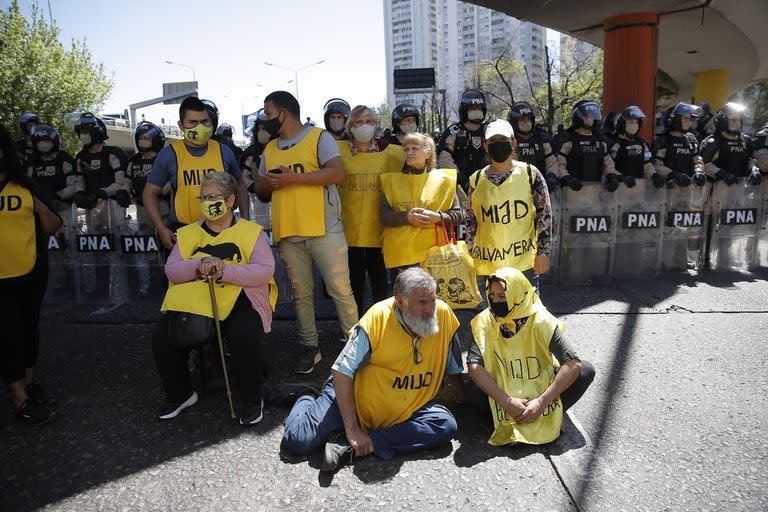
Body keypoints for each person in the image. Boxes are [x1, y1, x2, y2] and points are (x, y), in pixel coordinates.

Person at [281, 267, 463, 472]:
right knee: (298, 440)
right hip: (355, 403)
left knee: (445, 425)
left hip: (407, 409)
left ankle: (357, 444)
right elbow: (341, 370)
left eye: (432, 300)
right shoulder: (377, 319)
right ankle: (306, 394)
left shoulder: (443, 314)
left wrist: (462, 397)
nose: (430, 309)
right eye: (422, 303)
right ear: (400, 302)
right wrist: (352, 429)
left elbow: (454, 365)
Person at [152, 172, 276, 425]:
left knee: (244, 332)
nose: (207, 202)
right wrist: (199, 265)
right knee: (162, 335)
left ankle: (252, 398)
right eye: (203, 197)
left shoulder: (251, 232)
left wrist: (225, 270)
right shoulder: (187, 234)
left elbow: (265, 270)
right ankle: (180, 394)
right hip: (196, 304)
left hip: (241, 300)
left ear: (230, 200)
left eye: (213, 197)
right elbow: (172, 269)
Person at [253, 90, 358, 374]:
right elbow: (261, 190)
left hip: (325, 229)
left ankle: (356, 348)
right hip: (289, 232)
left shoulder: (319, 138)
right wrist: (270, 184)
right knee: (301, 294)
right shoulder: (270, 148)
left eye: (269, 113)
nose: (265, 119)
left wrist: (293, 179)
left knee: (340, 290)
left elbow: (337, 174)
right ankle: (310, 348)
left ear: (284, 113)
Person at [466, 267, 595, 445]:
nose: (495, 301)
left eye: (502, 296)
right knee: (472, 391)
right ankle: (525, 416)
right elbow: (474, 366)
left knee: (586, 370)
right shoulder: (483, 320)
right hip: (504, 395)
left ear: (517, 295)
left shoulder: (541, 320)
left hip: (540, 393)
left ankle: (534, 414)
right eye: (492, 295)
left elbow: (573, 364)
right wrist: (507, 402)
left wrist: (541, 402)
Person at [0, 123, 63, 425]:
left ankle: (28, 384)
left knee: (28, 331)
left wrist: (37, 206)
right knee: (8, 335)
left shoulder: (23, 187)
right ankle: (18, 399)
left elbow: (53, 226)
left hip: (30, 273)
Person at [143, 96, 250, 251]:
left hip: (224, 233)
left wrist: (245, 221)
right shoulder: (169, 154)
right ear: (181, 125)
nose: (200, 127)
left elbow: (240, 185)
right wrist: (161, 228)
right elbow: (149, 193)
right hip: (184, 232)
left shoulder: (224, 152)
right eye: (193, 123)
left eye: (204, 121)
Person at [465, 120, 552, 295]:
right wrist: (469, 255)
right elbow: (470, 220)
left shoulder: (530, 174)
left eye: (503, 139)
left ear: (513, 142)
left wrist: (543, 252)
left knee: (528, 314)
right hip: (489, 264)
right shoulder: (476, 180)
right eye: (493, 140)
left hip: (524, 263)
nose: (498, 143)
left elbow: (545, 214)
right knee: (494, 316)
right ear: (485, 146)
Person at [337, 105, 404, 315]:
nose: (363, 126)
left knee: (380, 284)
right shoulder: (338, 151)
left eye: (368, 121)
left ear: (375, 124)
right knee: (352, 284)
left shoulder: (392, 152)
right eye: (358, 122)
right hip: (348, 231)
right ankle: (355, 327)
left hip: (381, 230)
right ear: (350, 127)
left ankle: (382, 325)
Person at [379, 132, 463, 270]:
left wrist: (438, 217)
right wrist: (407, 217)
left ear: (428, 152)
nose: (409, 152)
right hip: (404, 258)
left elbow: (458, 215)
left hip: (437, 257)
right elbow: (384, 217)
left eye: (414, 148)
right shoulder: (391, 181)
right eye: (406, 149)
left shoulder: (445, 180)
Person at [72, 112, 132, 209]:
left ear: (95, 131)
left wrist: (101, 193)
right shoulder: (81, 156)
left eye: (85, 132)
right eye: (80, 133)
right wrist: (80, 193)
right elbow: (79, 180)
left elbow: (121, 182)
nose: (82, 135)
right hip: (91, 205)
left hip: (113, 205)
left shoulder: (113, 153)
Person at [554, 100, 617, 191]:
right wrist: (567, 178)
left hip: (596, 190)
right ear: (578, 117)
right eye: (586, 116)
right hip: (573, 191)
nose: (590, 118)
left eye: (592, 115)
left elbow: (608, 162)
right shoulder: (568, 139)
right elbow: (558, 164)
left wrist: (611, 176)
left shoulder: (600, 139)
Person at [437, 90, 490, 190]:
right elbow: (444, 157)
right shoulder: (453, 131)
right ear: (464, 110)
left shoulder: (489, 130)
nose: (477, 111)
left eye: (479, 108)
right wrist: (458, 176)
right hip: (460, 184)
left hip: (487, 181)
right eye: (473, 109)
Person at [700, 102, 762, 186]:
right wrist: (723, 174)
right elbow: (704, 164)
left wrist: (754, 171)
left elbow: (750, 160)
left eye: (739, 120)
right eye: (733, 120)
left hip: (741, 191)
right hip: (717, 190)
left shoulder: (745, 141)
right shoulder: (713, 141)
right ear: (723, 121)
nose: (737, 123)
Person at [650, 102, 706, 188]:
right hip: (667, 189)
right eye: (685, 118)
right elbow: (657, 166)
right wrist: (676, 175)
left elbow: (697, 160)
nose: (688, 122)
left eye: (690, 119)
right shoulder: (663, 141)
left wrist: (699, 172)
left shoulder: (691, 139)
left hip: (688, 188)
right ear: (675, 119)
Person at [506, 102, 559, 190]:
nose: (527, 123)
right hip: (516, 186)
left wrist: (552, 176)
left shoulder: (542, 139)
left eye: (529, 119)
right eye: (523, 120)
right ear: (514, 122)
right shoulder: (509, 141)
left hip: (542, 186)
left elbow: (551, 162)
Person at [25, 124, 78, 206]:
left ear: (54, 141)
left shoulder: (64, 158)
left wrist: (56, 196)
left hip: (61, 205)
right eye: (39, 141)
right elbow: (26, 184)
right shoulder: (32, 161)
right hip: (36, 205)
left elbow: (73, 186)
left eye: (46, 141)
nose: (42, 144)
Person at [609, 106, 655, 188]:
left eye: (636, 122)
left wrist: (654, 175)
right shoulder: (616, 144)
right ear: (623, 124)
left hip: (639, 187)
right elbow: (609, 166)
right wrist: (622, 178)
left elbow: (648, 163)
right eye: (630, 122)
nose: (634, 125)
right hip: (621, 186)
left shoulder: (643, 144)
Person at [126, 121, 166, 207]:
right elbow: (128, 181)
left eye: (146, 138)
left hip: (161, 205)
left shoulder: (164, 160)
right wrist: (124, 192)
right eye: (140, 138)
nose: (142, 140)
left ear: (155, 140)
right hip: (141, 206)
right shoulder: (134, 161)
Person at [239, 109, 269, 189]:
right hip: (260, 198)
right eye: (259, 129)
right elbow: (243, 177)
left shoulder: (281, 147)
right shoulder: (251, 152)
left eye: (264, 129)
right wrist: (256, 187)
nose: (261, 132)